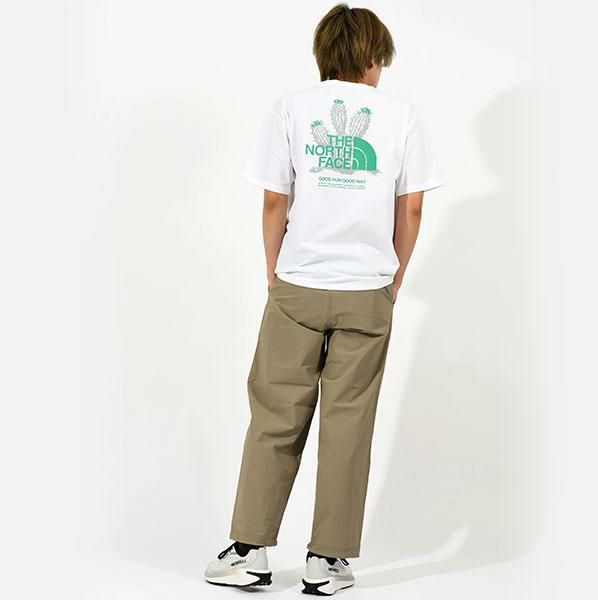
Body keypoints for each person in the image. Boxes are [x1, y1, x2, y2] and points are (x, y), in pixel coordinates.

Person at [204, 3, 444, 595]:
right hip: (367, 291)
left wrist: (275, 272)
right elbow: (412, 208)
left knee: (274, 416)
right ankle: (327, 561)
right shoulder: (402, 117)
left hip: (297, 286)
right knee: (349, 424)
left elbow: (273, 201)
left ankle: (248, 552)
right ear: (372, 58)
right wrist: (393, 278)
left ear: (323, 55)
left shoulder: (290, 109)